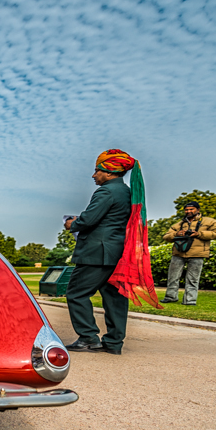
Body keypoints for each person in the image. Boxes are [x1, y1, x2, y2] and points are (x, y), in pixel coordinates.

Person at [63, 149, 134, 355]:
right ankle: (114, 342)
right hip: (116, 252)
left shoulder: (106, 191)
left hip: (96, 252)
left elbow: (88, 220)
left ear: (110, 172)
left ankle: (88, 338)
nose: (94, 175)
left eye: (97, 171)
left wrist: (71, 223)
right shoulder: (127, 191)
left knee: (76, 293)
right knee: (114, 297)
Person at [160, 201, 216, 305]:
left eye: (191, 209)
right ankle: (170, 297)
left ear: (198, 210)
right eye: (186, 209)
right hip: (178, 253)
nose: (188, 211)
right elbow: (166, 236)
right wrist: (177, 233)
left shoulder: (209, 221)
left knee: (193, 279)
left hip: (197, 254)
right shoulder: (179, 224)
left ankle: (190, 300)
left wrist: (199, 234)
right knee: (173, 277)